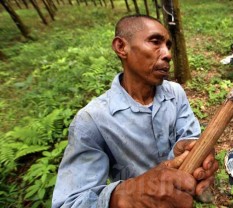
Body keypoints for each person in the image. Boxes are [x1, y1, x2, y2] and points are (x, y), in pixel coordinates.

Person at [52, 14, 218, 208]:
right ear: (122, 47)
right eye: (155, 42)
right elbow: (70, 202)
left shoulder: (175, 93)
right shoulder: (92, 120)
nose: (167, 54)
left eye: (168, 46)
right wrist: (122, 197)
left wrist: (196, 154)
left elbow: (189, 136)